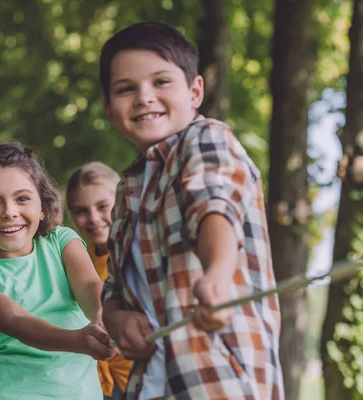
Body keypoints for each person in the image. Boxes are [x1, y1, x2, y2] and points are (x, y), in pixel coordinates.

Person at [98, 21, 285, 399]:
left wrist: (216, 274)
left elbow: (213, 208)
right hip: (152, 384)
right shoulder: (128, 188)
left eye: (161, 82)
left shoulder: (207, 138)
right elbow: (115, 284)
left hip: (219, 378)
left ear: (195, 91)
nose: (144, 97)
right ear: (109, 108)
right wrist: (117, 319)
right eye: (126, 89)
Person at [0, 142, 116, 399]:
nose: (10, 213)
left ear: (43, 207)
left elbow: (89, 287)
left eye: (22, 198)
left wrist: (105, 318)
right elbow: (17, 321)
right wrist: (79, 340)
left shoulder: (61, 242)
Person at [66, 162, 133, 400]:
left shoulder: (139, 250)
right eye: (81, 210)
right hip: (98, 386)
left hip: (141, 379)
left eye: (103, 206)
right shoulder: (78, 261)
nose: (93, 218)